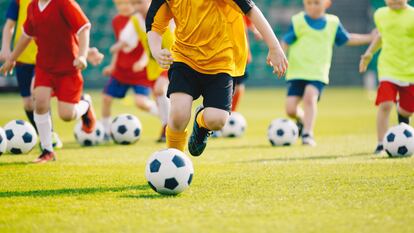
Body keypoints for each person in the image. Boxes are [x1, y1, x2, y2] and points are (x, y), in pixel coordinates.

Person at [146, 0, 288, 156]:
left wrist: (274, 47)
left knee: (217, 120)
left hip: (221, 62)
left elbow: (251, 10)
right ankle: (172, 158)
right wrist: (155, 50)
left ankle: (201, 123)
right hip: (184, 59)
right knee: (179, 114)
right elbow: (154, 25)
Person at [1, 0, 97, 163]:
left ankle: (85, 104)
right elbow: (26, 35)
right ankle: (47, 150)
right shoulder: (32, 7)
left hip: (68, 68)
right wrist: (12, 59)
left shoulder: (64, 3)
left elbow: (84, 28)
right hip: (44, 67)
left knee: (67, 115)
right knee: (40, 102)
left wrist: (82, 55)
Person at [281, 0, 374, 146]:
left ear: (327, 3)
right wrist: (279, 54)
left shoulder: (333, 23)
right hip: (297, 72)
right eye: (309, 3)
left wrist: (369, 38)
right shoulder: (297, 21)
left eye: (316, 3)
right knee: (290, 109)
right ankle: (303, 119)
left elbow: (348, 38)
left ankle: (307, 134)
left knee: (309, 98)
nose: (312, 6)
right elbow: (285, 42)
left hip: (317, 73)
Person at [103, 0, 172, 143]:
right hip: (155, 65)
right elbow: (128, 39)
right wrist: (118, 46)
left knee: (160, 90)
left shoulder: (165, 13)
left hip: (173, 59)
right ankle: (168, 126)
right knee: (159, 98)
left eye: (139, 3)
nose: (136, 7)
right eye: (134, 4)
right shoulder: (135, 20)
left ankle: (169, 126)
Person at [359, 0, 414, 154]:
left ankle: (401, 111)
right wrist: (369, 53)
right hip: (388, 69)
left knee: (407, 111)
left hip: (410, 72)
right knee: (385, 105)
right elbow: (381, 36)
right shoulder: (381, 14)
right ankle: (381, 143)